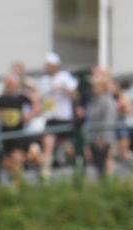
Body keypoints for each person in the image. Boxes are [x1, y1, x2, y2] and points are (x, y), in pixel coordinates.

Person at [34, 54, 79, 182]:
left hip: (63, 117)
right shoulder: (44, 81)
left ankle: (78, 166)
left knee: (68, 147)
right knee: (48, 144)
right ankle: (46, 172)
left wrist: (63, 89)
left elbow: (74, 94)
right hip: (50, 117)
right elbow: (41, 99)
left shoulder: (64, 77)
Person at [0, 66, 37, 185]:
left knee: (17, 156)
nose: (9, 86)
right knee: (7, 161)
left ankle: (18, 182)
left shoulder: (22, 96)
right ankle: (18, 176)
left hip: (19, 132)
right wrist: (0, 115)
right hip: (6, 132)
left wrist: (29, 116)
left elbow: (36, 105)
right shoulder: (2, 98)